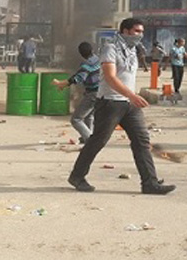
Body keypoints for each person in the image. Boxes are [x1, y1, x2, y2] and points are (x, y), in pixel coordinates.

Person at [68, 18, 176, 195]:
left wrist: (131, 97)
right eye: (136, 31)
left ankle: (150, 182)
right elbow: (110, 77)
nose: (140, 35)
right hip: (110, 102)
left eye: (141, 32)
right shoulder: (110, 48)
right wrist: (131, 95)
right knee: (98, 141)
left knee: (142, 140)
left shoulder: (132, 49)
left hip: (129, 104)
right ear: (125, 31)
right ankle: (77, 176)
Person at [52, 42, 100, 144]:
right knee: (89, 116)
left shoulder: (87, 65)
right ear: (92, 50)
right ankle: (86, 136)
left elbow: (78, 78)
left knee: (76, 119)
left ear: (81, 54)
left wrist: (61, 83)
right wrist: (64, 84)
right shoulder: (98, 59)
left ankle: (91, 140)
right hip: (100, 92)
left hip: (92, 94)